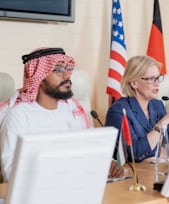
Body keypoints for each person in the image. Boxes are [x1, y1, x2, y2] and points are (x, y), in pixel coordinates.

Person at [0, 47, 123, 182]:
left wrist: (106, 164)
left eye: (67, 69)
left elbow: (89, 148)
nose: (67, 76)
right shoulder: (19, 116)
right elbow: (11, 173)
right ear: (39, 77)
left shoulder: (73, 110)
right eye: (58, 70)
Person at [105, 55, 169, 162]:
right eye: (151, 79)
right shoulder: (118, 111)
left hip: (156, 170)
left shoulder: (157, 105)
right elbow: (134, 154)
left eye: (157, 78)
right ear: (134, 83)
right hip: (134, 175)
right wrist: (162, 124)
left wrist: (153, 153)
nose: (157, 83)